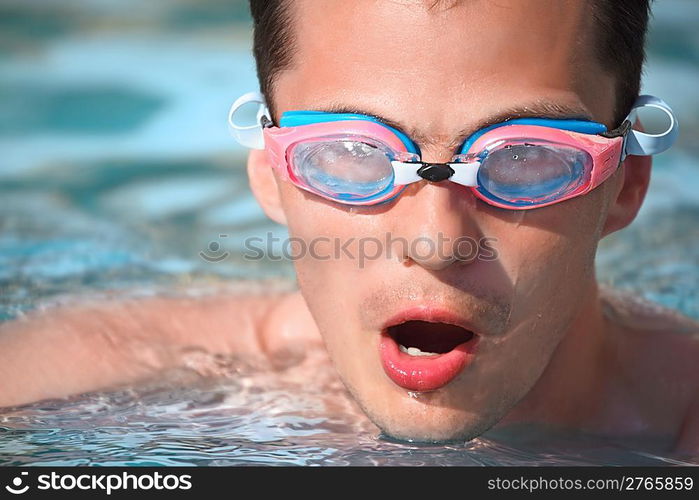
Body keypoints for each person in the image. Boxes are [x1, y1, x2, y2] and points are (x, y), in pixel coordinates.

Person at [1, 0, 698, 453]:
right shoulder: (85, 378)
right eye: (351, 154)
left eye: (523, 158)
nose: (433, 242)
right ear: (271, 175)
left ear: (625, 183)